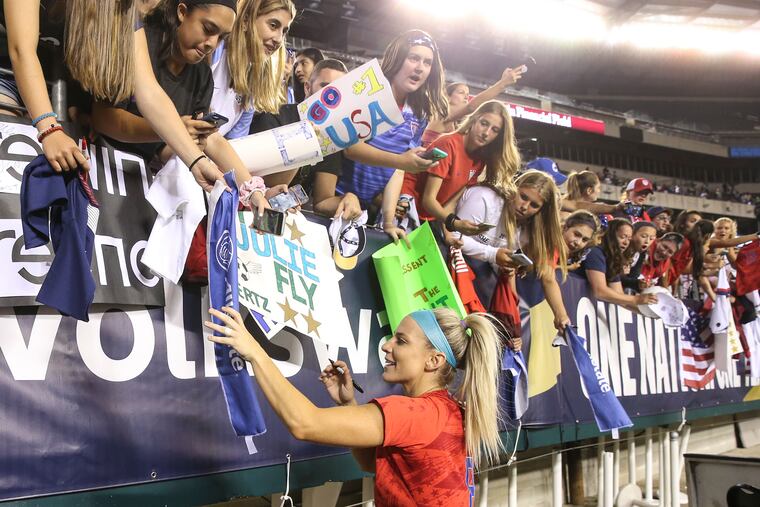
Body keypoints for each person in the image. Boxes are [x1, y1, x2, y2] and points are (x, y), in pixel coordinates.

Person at [205, 306, 504, 505]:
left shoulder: (417, 413)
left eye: (401, 341)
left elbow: (304, 423)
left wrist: (256, 352)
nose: (387, 346)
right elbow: (373, 464)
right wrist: (349, 403)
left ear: (434, 360)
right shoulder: (448, 410)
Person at [3, 0, 227, 191]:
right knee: (9, 140)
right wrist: (49, 129)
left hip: (56, 90)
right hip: (7, 72)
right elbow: (21, 50)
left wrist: (195, 161)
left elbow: (148, 90)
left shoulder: (123, 7)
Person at [90, 0, 269, 204]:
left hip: (142, 184)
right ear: (182, 12)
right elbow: (103, 117)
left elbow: (211, 140)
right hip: (100, 169)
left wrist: (252, 190)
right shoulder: (142, 43)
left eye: (221, 37)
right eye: (208, 29)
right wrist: (171, 130)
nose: (212, 43)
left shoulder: (201, 76)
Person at [336, 29, 448, 241]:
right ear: (397, 58)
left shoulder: (419, 112)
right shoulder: (369, 92)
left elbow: (397, 170)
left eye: (427, 62)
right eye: (413, 58)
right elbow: (351, 148)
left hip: (364, 210)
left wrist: (388, 222)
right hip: (333, 198)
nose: (420, 68)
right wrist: (402, 161)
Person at [456, 170, 571, 330]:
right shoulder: (486, 198)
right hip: (448, 258)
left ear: (540, 210)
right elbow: (453, 237)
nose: (525, 207)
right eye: (523, 197)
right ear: (515, 188)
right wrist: (494, 255)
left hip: (473, 277)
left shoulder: (525, 233)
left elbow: (548, 278)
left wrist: (505, 267)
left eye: (534, 205)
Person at [398, 100, 520, 235]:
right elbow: (428, 200)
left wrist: (449, 233)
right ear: (474, 119)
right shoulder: (448, 143)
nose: (486, 133)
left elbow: (451, 202)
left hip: (428, 218)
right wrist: (454, 223)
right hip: (404, 207)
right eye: (484, 123)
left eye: (495, 130)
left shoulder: (481, 159)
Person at [209, 0, 297, 142]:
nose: (279, 39)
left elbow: (235, 143)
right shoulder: (213, 53)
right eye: (273, 25)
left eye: (284, 31)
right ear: (245, 21)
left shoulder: (252, 87)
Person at [420, 65, 525, 146]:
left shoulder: (453, 121)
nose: (466, 97)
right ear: (448, 97)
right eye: (461, 92)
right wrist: (503, 83)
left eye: (467, 94)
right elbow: (471, 107)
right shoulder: (441, 114)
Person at [572, 218, 657, 309]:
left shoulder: (612, 259)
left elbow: (620, 297)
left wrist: (649, 312)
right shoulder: (595, 252)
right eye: (622, 237)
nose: (626, 242)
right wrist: (636, 299)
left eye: (629, 239)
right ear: (610, 235)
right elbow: (600, 291)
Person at [619, 221, 658, 293]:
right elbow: (613, 277)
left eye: (651, 238)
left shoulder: (641, 254)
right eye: (643, 236)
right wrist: (636, 283)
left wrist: (640, 283)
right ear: (632, 235)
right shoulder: (621, 250)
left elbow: (634, 276)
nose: (647, 241)